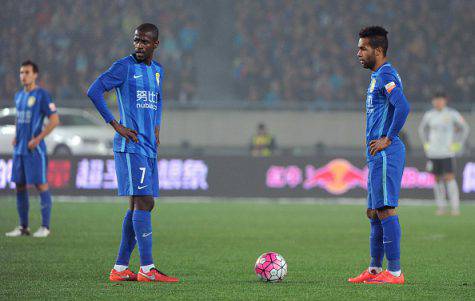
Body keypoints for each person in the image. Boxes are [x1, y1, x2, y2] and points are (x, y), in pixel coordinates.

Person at [87, 23, 178, 283]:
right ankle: (147, 269)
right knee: (146, 202)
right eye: (136, 40)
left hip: (149, 147)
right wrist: (116, 125)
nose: (139, 45)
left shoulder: (158, 71)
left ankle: (120, 268)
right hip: (131, 146)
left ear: (155, 45)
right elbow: (94, 91)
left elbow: (158, 101)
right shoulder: (123, 67)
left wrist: (157, 128)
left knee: (137, 204)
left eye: (144, 42)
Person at [348, 26, 410, 285]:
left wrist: (388, 138)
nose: (358, 52)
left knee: (385, 209)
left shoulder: (386, 74)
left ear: (379, 50)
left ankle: (394, 272)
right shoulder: (377, 76)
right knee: (373, 212)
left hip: (386, 153)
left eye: (363, 48)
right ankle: (374, 269)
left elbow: (403, 106)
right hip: (375, 154)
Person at [5, 61, 59, 238]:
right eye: (21, 72)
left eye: (27, 72)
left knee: (41, 185)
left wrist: (38, 139)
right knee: (19, 185)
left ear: (35, 74)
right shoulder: (19, 96)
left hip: (35, 150)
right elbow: (19, 118)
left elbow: (54, 120)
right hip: (19, 148)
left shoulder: (43, 95)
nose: (23, 75)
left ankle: (45, 227)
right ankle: (23, 227)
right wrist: (16, 135)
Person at [418, 92, 470, 216]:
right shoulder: (429, 115)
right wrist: (426, 144)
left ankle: (455, 207)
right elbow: (421, 129)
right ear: (433, 101)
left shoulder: (452, 114)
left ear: (445, 101)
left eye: (440, 100)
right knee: (436, 179)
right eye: (436, 100)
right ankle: (441, 206)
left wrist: (458, 144)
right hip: (433, 153)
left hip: (447, 152)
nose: (438, 102)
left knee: (449, 178)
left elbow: (465, 128)